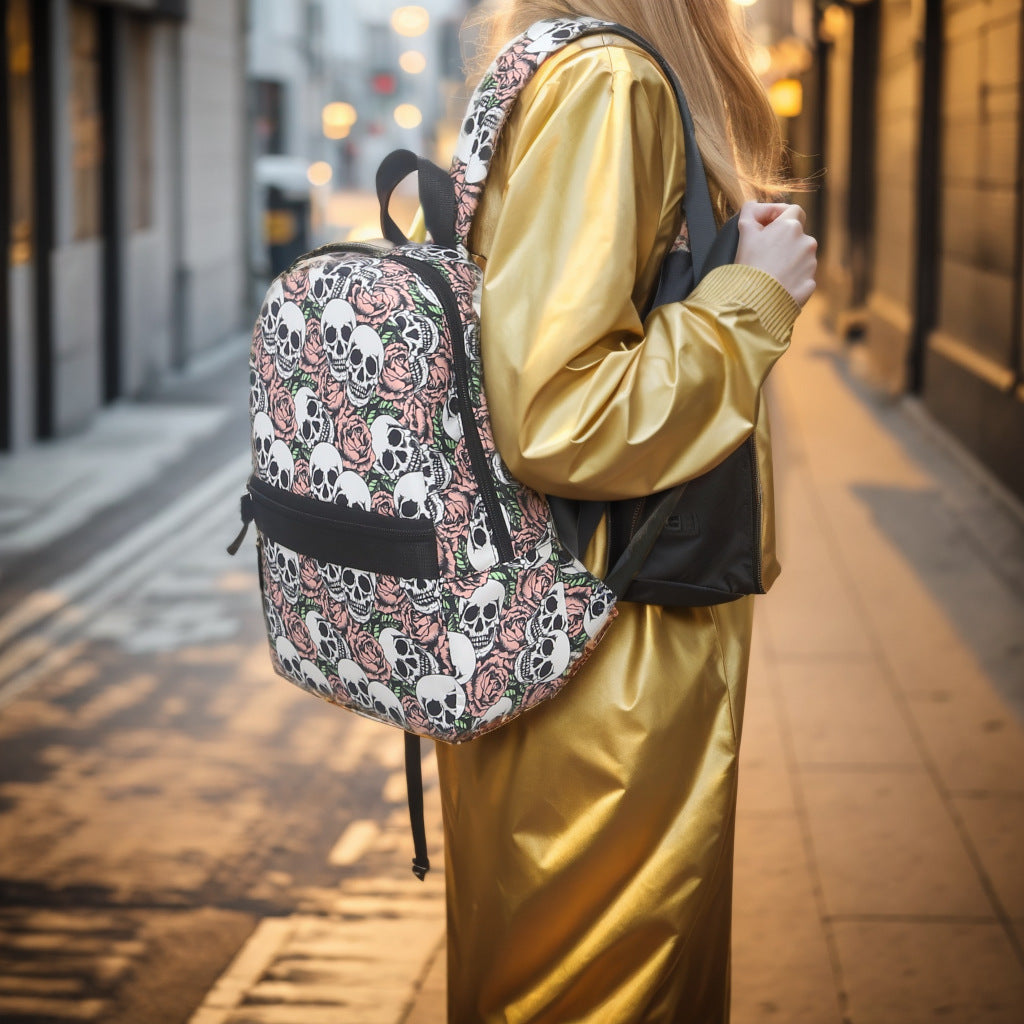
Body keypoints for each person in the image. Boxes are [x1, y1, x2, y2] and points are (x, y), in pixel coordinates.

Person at [433, 2, 818, 1021]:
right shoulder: (612, 83)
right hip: (607, 657)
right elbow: (555, 413)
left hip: (558, 632)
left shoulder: (553, 66)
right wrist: (752, 299)